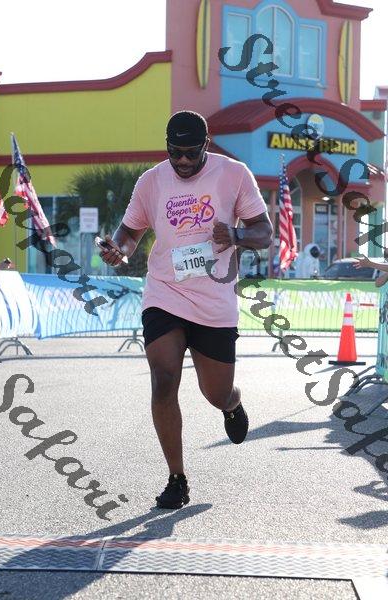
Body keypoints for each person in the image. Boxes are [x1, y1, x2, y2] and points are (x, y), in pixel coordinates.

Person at [99, 111, 272, 509]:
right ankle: (177, 478)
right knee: (163, 381)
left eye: (191, 153)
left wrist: (237, 234)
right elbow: (130, 231)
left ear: (206, 145)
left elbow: (263, 231)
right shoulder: (152, 181)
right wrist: (119, 250)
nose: (182, 161)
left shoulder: (234, 174)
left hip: (214, 301)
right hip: (165, 293)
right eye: (174, 152)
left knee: (215, 393)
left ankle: (231, 403)